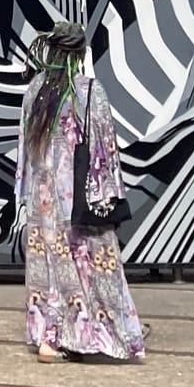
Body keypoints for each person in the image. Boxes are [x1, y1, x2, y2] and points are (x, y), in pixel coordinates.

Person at [18, 20, 145, 363]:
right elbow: (105, 149)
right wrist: (109, 192)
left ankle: (49, 338)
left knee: (49, 266)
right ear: (81, 54)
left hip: (43, 200)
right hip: (80, 197)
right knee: (95, 264)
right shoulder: (89, 91)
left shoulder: (34, 90)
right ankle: (102, 334)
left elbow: (26, 149)